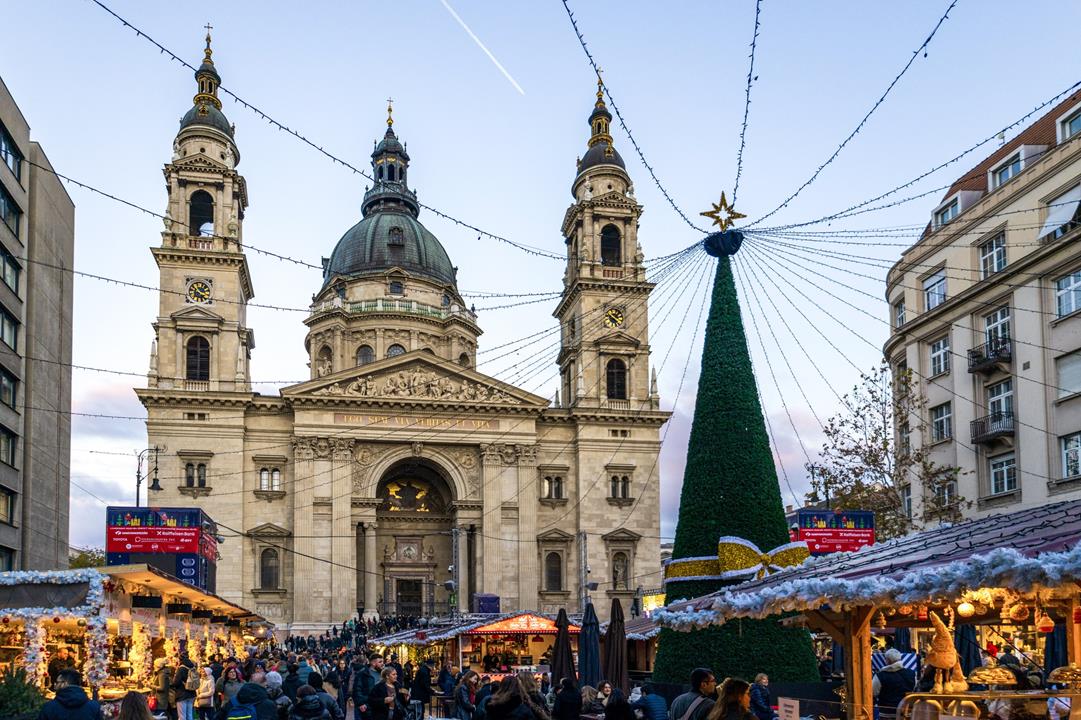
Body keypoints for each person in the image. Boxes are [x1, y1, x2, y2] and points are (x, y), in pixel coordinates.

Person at [37, 669, 102, 720]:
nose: (55, 686)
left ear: (65, 683)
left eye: (57, 682)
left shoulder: (49, 707)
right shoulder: (94, 707)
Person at [872, 650, 915, 720]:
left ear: (888, 660)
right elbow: (915, 690)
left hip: (887, 714)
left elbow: (872, 693)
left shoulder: (880, 675)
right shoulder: (912, 674)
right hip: (906, 714)